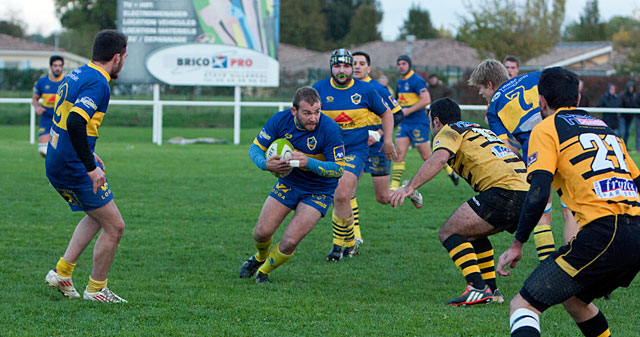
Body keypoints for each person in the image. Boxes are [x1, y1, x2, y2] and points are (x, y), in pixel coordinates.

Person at [498, 66, 640, 337]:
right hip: (635, 231)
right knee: (574, 299)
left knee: (523, 305)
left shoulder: (546, 128)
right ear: (577, 98)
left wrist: (517, 244)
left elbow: (539, 192)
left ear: (541, 100)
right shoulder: (605, 129)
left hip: (604, 233)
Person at [390, 98, 529, 306]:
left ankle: (477, 287)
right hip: (526, 192)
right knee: (472, 233)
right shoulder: (479, 129)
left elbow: (438, 159)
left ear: (436, 121)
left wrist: (410, 187)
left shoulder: (448, 131)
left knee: (449, 232)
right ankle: (491, 290)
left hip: (505, 190)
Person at [44, 30, 128, 303]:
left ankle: (63, 272)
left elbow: (71, 120)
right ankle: (96, 289)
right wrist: (90, 166)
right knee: (115, 226)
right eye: (124, 57)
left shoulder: (79, 73)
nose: (123, 61)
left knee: (96, 216)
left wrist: (91, 154)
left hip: (58, 158)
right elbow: (76, 122)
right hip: (72, 166)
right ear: (116, 58)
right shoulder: (99, 84)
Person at [468, 59, 578, 262]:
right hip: (563, 137)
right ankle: (576, 264)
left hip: (536, 150)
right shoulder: (535, 76)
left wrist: (522, 157)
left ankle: (547, 266)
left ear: (490, 85)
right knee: (569, 210)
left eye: (481, 88)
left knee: (542, 214)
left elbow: (507, 149)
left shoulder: (493, 109)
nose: (480, 93)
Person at [239, 86, 345, 283]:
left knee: (289, 242)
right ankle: (260, 257)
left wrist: (308, 162)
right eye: (307, 113)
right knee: (261, 233)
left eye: (317, 112)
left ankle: (264, 272)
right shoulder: (280, 121)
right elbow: (255, 148)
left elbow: (338, 169)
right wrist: (265, 163)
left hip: (319, 191)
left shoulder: (330, 130)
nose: (313, 118)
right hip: (290, 182)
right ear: (294, 111)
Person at [313, 49, 397, 261]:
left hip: (355, 150)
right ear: (331, 67)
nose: (341, 71)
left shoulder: (366, 90)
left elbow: (387, 113)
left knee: (341, 193)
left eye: (346, 66)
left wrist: (387, 140)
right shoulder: (318, 90)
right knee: (341, 197)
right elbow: (304, 116)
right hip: (328, 151)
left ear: (351, 68)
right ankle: (350, 242)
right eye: (337, 66)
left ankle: (337, 246)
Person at [349, 51, 422, 246]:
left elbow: (397, 115)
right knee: (347, 190)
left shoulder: (378, 88)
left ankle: (406, 191)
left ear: (369, 68)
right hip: (354, 148)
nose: (357, 66)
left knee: (383, 197)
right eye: (353, 63)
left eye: (361, 63)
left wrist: (379, 133)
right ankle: (355, 236)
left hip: (377, 148)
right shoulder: (346, 89)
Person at [393, 55, 459, 189]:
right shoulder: (399, 82)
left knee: (426, 156)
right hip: (405, 123)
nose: (401, 66)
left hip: (418, 122)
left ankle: (451, 172)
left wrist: (408, 110)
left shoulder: (417, 80)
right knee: (399, 153)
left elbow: (426, 100)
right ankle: (393, 187)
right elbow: (397, 99)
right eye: (399, 64)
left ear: (409, 65)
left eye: (404, 63)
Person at [32, 55, 64, 157]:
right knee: (43, 150)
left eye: (60, 65)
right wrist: (37, 108)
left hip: (61, 119)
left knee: (63, 150)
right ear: (51, 66)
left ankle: (59, 169)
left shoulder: (68, 81)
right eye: (55, 65)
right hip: (46, 118)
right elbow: (34, 99)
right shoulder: (42, 81)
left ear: (62, 67)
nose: (57, 68)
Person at [618, 81, 638, 146]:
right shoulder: (622, 95)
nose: (631, 89)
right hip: (623, 116)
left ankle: (625, 146)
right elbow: (620, 105)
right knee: (621, 132)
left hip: (630, 117)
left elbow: (635, 105)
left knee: (628, 132)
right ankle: (619, 145)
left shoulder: (634, 96)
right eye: (630, 87)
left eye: (632, 88)